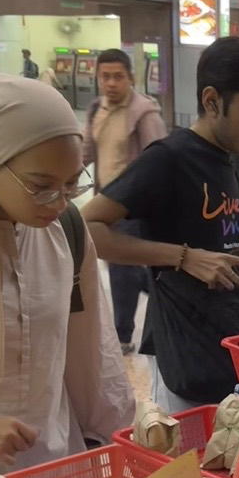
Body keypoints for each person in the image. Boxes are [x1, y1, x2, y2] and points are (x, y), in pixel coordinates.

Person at [0, 73, 134, 478]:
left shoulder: (66, 232)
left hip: (54, 469)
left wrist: (122, 440)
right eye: (41, 186)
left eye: (72, 184)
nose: (58, 201)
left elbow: (92, 350)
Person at [81, 37, 239, 412]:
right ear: (211, 100)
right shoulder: (169, 159)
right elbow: (86, 228)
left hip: (229, 337)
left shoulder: (229, 155)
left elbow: (226, 231)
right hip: (183, 346)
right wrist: (184, 257)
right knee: (188, 462)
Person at [82, 48, 167, 355]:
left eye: (118, 76)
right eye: (105, 77)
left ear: (131, 78)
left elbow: (159, 160)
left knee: (120, 267)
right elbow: (86, 152)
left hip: (131, 206)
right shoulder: (97, 109)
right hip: (105, 203)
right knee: (124, 268)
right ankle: (164, 291)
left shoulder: (145, 114)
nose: (111, 83)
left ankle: (122, 335)